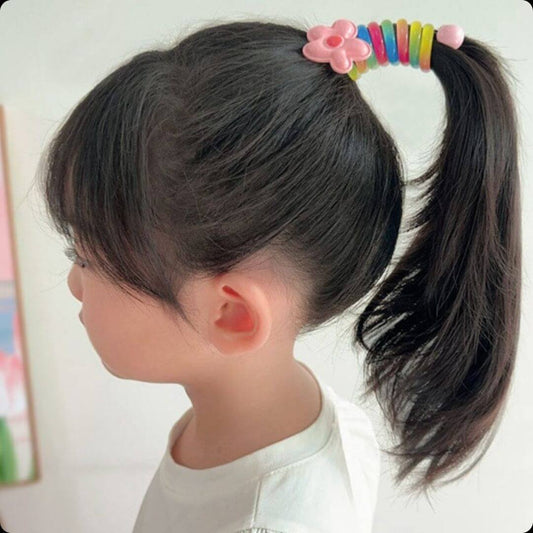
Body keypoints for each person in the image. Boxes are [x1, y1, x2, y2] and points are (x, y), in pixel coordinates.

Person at [36, 16, 522, 533]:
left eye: (85, 257)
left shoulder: (266, 520)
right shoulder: (282, 423)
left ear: (232, 315)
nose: (74, 284)